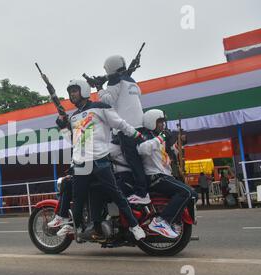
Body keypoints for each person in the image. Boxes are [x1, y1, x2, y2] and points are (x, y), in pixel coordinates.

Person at [52, 79, 146, 241]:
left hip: (101, 160)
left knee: (116, 194)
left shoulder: (99, 107)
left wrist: (136, 135)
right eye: (70, 92)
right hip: (82, 163)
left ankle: (134, 225)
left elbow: (120, 123)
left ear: (84, 90)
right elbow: (74, 141)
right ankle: (78, 228)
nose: (72, 94)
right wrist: (63, 128)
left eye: (75, 90)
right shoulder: (74, 118)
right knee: (78, 199)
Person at [97, 55, 150, 205]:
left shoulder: (116, 80)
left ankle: (142, 193)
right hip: (139, 125)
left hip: (126, 127)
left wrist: (99, 88)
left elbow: (108, 101)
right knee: (134, 160)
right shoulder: (131, 81)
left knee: (133, 161)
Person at [138, 109, 198, 238]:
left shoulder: (159, 139)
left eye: (163, 122)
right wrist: (161, 138)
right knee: (185, 192)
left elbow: (168, 156)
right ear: (151, 122)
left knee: (193, 195)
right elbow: (143, 149)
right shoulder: (145, 136)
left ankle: (173, 221)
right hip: (155, 177)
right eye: (160, 122)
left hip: (165, 176)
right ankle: (161, 221)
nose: (162, 125)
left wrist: (179, 142)